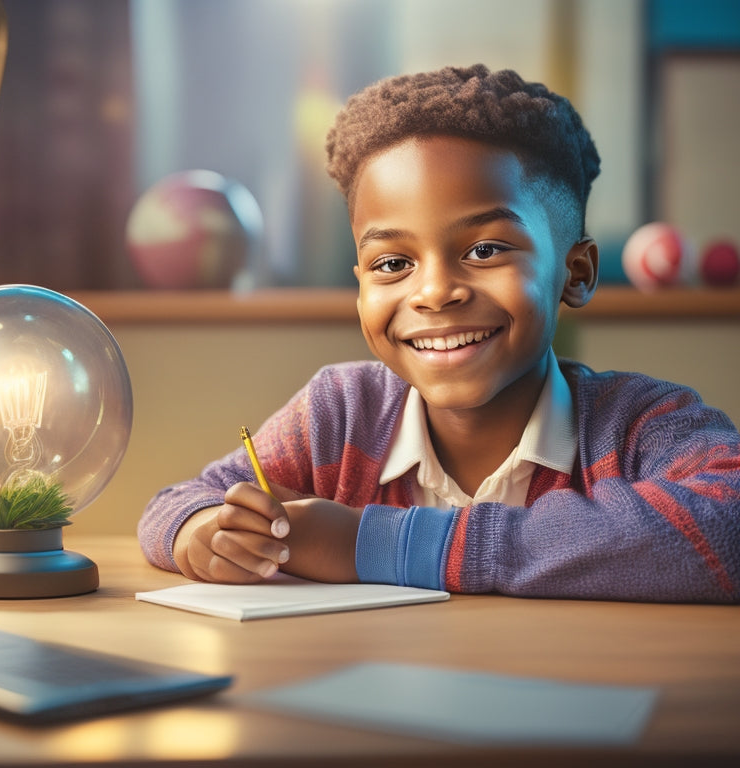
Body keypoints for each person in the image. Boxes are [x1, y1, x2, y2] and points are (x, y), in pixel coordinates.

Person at [138, 64, 740, 603]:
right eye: (392, 264)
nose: (433, 292)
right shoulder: (340, 416)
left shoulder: (638, 426)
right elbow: (179, 503)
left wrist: (376, 546)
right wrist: (202, 533)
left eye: (484, 249)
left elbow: (728, 526)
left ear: (574, 272)